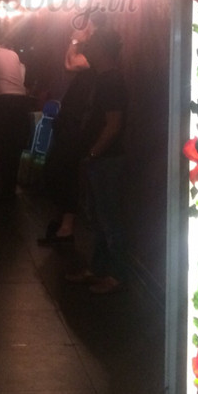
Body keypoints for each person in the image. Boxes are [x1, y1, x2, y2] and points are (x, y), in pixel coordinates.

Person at [64, 27, 129, 294]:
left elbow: (113, 125)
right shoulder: (103, 78)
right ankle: (99, 269)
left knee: (109, 219)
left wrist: (93, 154)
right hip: (100, 159)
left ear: (102, 49)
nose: (86, 48)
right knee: (99, 218)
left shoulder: (112, 81)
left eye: (91, 44)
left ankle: (116, 276)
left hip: (106, 160)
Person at [37, 21, 96, 245]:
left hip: (77, 125)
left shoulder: (93, 59)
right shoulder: (88, 58)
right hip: (69, 122)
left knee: (64, 172)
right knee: (55, 171)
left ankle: (66, 227)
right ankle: (61, 223)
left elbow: (70, 64)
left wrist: (76, 39)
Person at [0, 26, 32, 200]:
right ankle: (10, 188)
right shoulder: (13, 54)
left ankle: (0, 189)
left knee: (1, 146)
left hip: (2, 102)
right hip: (21, 102)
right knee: (15, 147)